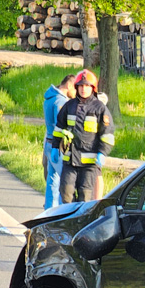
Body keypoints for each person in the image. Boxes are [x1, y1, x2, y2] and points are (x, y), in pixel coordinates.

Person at [51, 69, 115, 203]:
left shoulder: (100, 108)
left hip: (89, 165)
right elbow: (59, 127)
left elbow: (107, 134)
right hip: (70, 161)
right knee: (66, 192)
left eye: (87, 86)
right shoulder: (69, 106)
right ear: (76, 87)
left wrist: (102, 153)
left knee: (85, 197)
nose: (83, 89)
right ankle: (70, 221)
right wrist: (55, 147)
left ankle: (82, 223)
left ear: (93, 88)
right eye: (80, 86)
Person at [42, 74, 76, 209]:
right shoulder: (60, 102)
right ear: (69, 85)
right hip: (57, 145)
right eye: (74, 89)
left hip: (48, 143)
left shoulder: (49, 98)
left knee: (52, 179)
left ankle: (49, 209)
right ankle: (63, 211)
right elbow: (61, 125)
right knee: (64, 180)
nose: (75, 93)